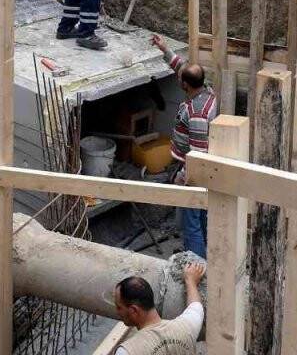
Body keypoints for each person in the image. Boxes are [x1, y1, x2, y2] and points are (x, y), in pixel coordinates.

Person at [151, 33, 217, 257]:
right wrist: (165, 49)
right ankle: (206, 256)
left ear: (185, 86)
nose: (178, 79)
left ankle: (195, 263)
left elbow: (198, 153)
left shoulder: (197, 114)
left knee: (192, 221)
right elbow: (183, 69)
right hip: (202, 171)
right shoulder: (207, 92)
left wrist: (184, 176)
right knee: (202, 217)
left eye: (181, 80)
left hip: (196, 174)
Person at [113, 263, 206, 355]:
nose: (117, 311)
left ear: (133, 310)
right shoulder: (186, 328)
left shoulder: (127, 351)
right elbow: (196, 306)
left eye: (119, 307)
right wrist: (190, 281)